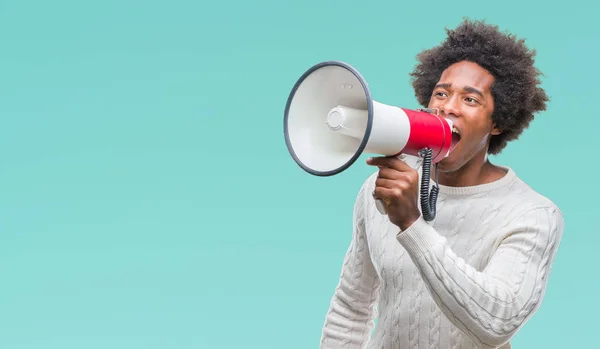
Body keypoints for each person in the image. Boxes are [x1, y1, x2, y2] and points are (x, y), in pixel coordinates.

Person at [319, 18, 564, 349]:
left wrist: (411, 223)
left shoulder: (532, 214)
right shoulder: (383, 188)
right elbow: (351, 309)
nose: (448, 107)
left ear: (498, 122)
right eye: (441, 93)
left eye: (470, 99)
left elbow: (496, 324)